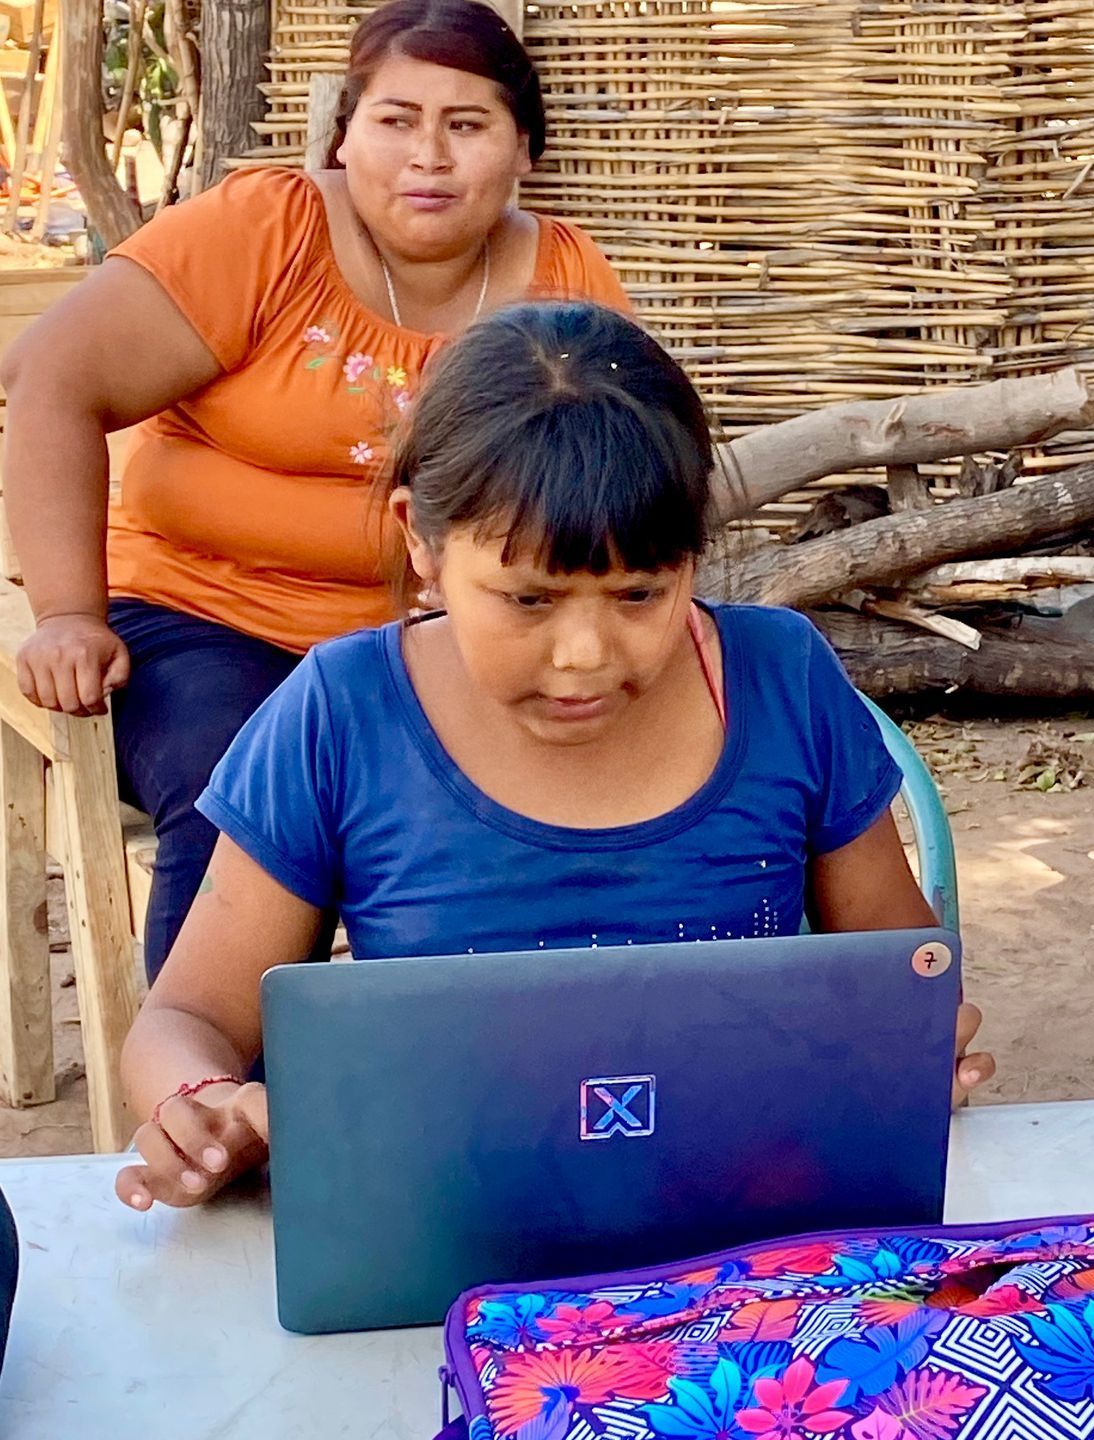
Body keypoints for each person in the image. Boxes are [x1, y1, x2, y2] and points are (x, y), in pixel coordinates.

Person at [113, 302, 995, 1211]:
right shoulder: (341, 715)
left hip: (741, 1243)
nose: (584, 654)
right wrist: (198, 1106)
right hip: (441, 1234)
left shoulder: (784, 682)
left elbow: (902, 970)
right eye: (528, 600)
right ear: (422, 540)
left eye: (640, 594)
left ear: (694, 554)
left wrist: (921, 1041)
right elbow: (186, 1019)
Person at [0, 0, 632, 982]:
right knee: (247, 774)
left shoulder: (564, 282)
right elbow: (51, 379)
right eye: (394, 120)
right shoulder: (265, 231)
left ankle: (487, 1070)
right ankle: (212, 1098)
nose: (428, 155)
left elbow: (624, 485)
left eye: (466, 126)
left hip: (440, 637)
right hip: (199, 616)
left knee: (554, 774)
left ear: (525, 154)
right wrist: (69, 615)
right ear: (345, 137)